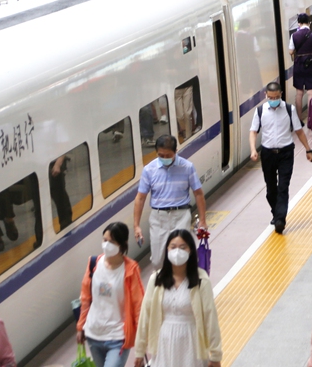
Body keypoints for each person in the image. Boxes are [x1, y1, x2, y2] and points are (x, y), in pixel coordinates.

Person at [133, 230, 222, 367]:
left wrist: (215, 355)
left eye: (183, 247)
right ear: (167, 250)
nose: (177, 252)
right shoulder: (156, 280)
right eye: (173, 247)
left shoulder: (201, 280)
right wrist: (140, 350)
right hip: (164, 343)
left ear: (191, 250)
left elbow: (210, 317)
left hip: (192, 343)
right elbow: (145, 315)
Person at [132, 135, 206, 271]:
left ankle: (182, 284)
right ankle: (163, 286)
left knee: (181, 255)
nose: (164, 158)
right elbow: (140, 198)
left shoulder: (187, 167)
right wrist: (136, 225)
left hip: (181, 215)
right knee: (157, 260)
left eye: (168, 155)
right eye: (161, 155)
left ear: (176, 151)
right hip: (158, 218)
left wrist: (202, 220)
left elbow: (198, 193)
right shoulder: (149, 170)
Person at [77, 223, 144, 367]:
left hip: (118, 337)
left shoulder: (130, 270)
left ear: (122, 244)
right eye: (104, 240)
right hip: (94, 334)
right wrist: (80, 327)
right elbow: (85, 298)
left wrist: (141, 342)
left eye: (112, 242)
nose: (106, 245)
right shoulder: (93, 264)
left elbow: (139, 306)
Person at [250, 82, 312, 234]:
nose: (274, 100)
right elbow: (253, 131)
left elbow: (299, 131)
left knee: (283, 187)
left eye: (276, 97)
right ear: (266, 95)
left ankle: (280, 220)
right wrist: (253, 149)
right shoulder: (260, 111)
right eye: (271, 97)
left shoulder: (289, 109)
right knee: (271, 189)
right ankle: (276, 212)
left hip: (286, 153)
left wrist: (308, 150)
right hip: (268, 153)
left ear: (281, 94)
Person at [288, 13, 312, 115]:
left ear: (298, 23)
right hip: (310, 63)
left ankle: (298, 118)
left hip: (298, 64)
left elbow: (290, 51)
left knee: (299, 93)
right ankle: (310, 117)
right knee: (310, 92)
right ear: (309, 22)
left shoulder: (293, 35)